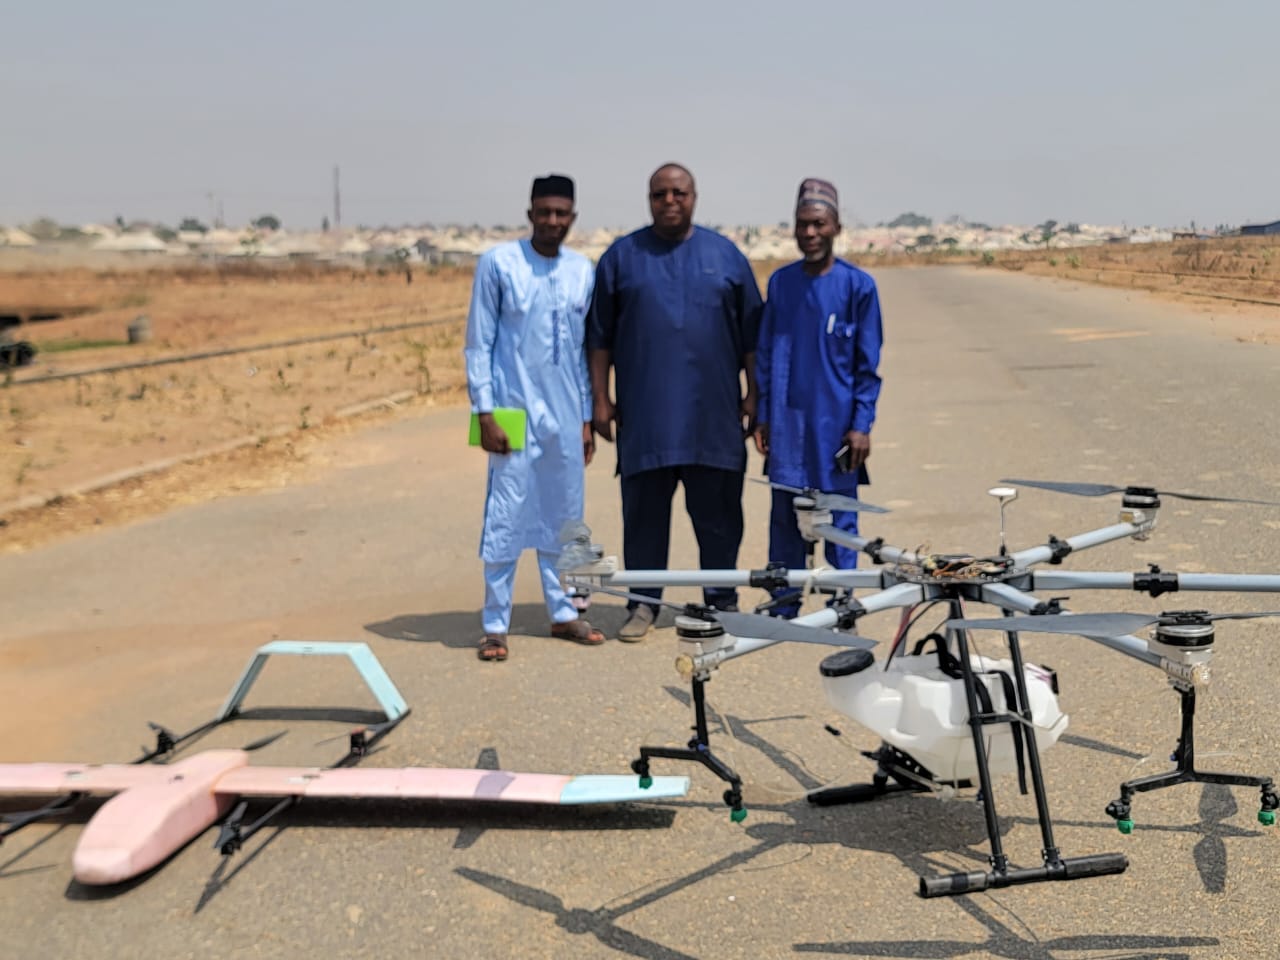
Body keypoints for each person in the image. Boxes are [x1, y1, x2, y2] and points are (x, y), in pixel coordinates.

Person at [588, 163, 763, 640]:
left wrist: (755, 394)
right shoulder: (621, 258)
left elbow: (753, 337)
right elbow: (599, 338)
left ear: (694, 196)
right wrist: (600, 399)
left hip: (714, 417)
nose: (670, 201)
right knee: (643, 518)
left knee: (721, 518)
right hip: (646, 420)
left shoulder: (725, 257)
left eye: (678, 193)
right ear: (648, 199)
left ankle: (720, 601)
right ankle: (644, 605)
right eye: (660, 194)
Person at [464, 173, 604, 661]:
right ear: (530, 214)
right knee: (506, 513)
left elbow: (583, 350)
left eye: (561, 213)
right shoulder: (498, 264)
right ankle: (495, 623)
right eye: (543, 212)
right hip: (509, 410)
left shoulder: (582, 270)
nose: (552, 221)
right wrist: (482, 413)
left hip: (566, 413)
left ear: (572, 218)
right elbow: (478, 343)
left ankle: (564, 614)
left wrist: (586, 418)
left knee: (565, 517)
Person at [753, 178, 884, 617]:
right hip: (788, 425)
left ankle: (841, 600)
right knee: (785, 514)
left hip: (837, 429)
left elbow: (867, 366)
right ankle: (785, 601)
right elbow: (769, 355)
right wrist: (765, 416)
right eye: (801, 225)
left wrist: (862, 424)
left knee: (840, 518)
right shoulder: (782, 284)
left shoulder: (858, 287)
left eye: (818, 224)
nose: (809, 233)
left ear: (835, 227)